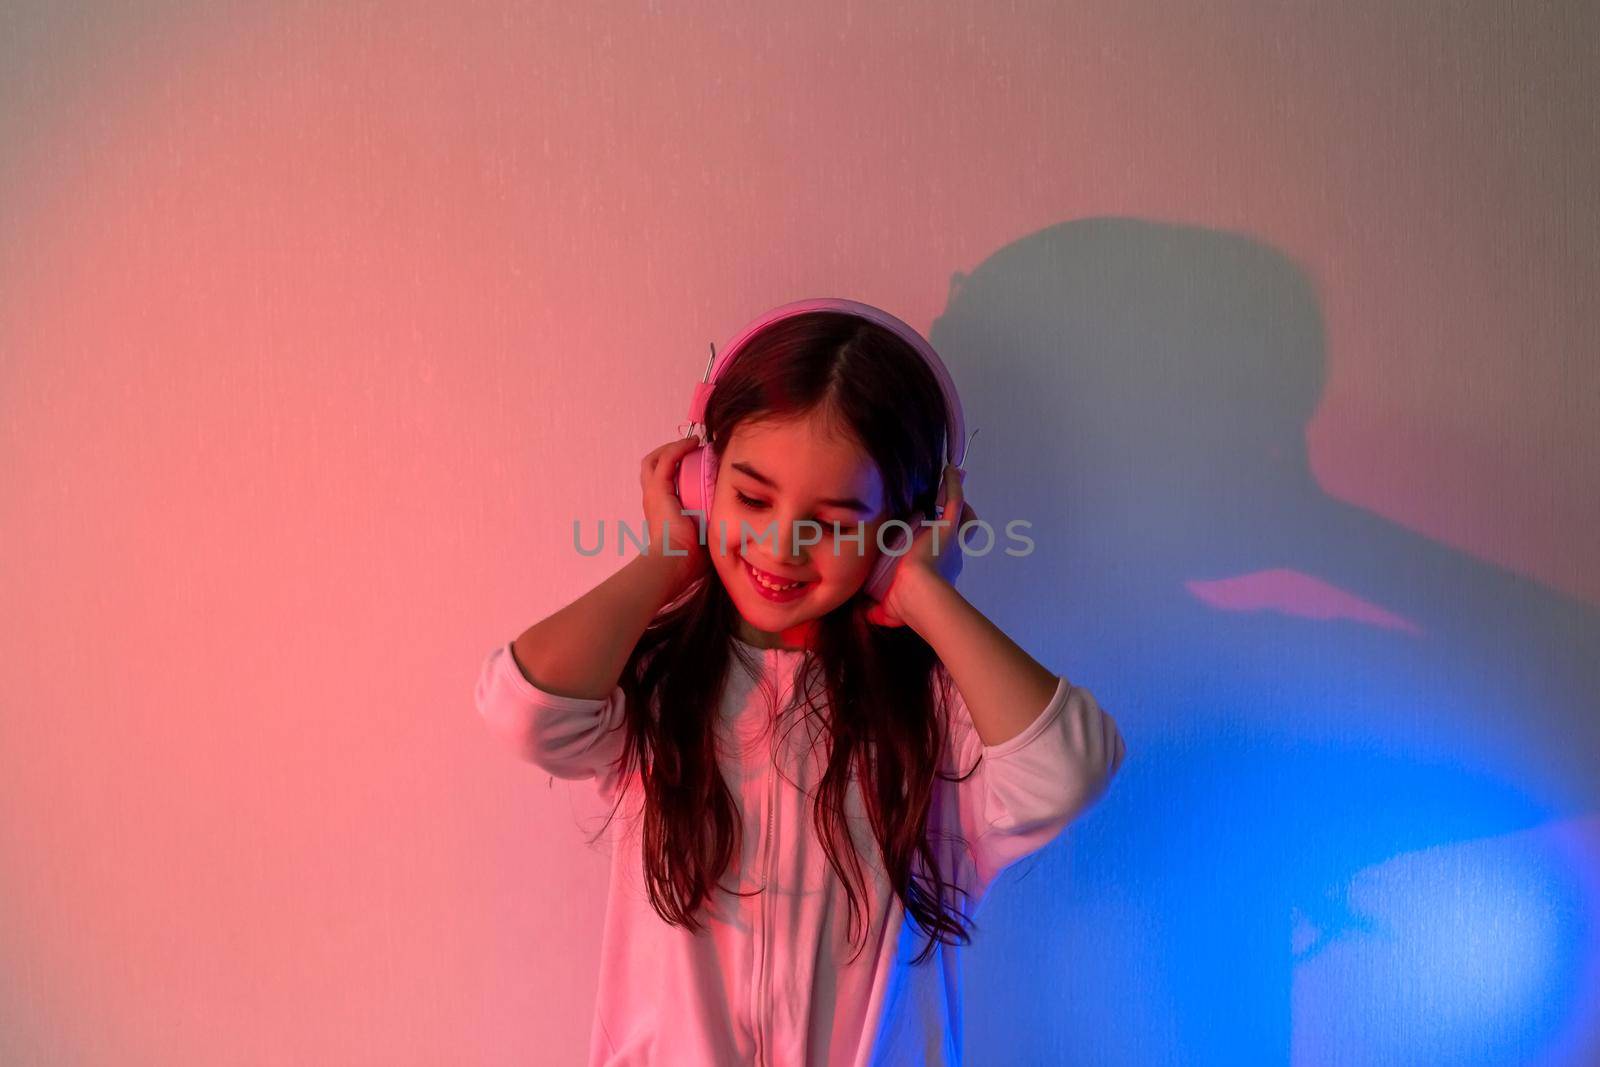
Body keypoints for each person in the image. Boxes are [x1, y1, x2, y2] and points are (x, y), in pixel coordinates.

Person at [474, 307, 1127, 1065]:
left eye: (837, 521)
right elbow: (524, 709)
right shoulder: (657, 687)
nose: (782, 543)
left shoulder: (935, 717)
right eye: (752, 499)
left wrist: (922, 592)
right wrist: (663, 559)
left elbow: (1067, 767)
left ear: (905, 525)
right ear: (702, 481)